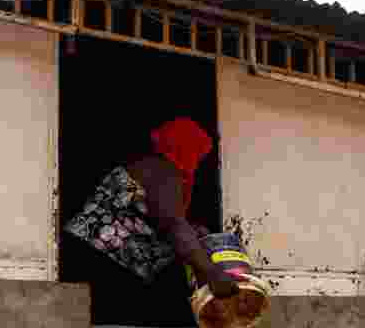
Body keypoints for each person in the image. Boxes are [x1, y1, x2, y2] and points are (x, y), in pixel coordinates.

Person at [64, 117, 243, 301]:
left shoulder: (150, 168)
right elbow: (174, 225)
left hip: (84, 261)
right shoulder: (163, 172)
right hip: (98, 268)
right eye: (196, 152)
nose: (197, 161)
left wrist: (192, 230)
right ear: (187, 148)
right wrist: (211, 271)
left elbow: (156, 218)